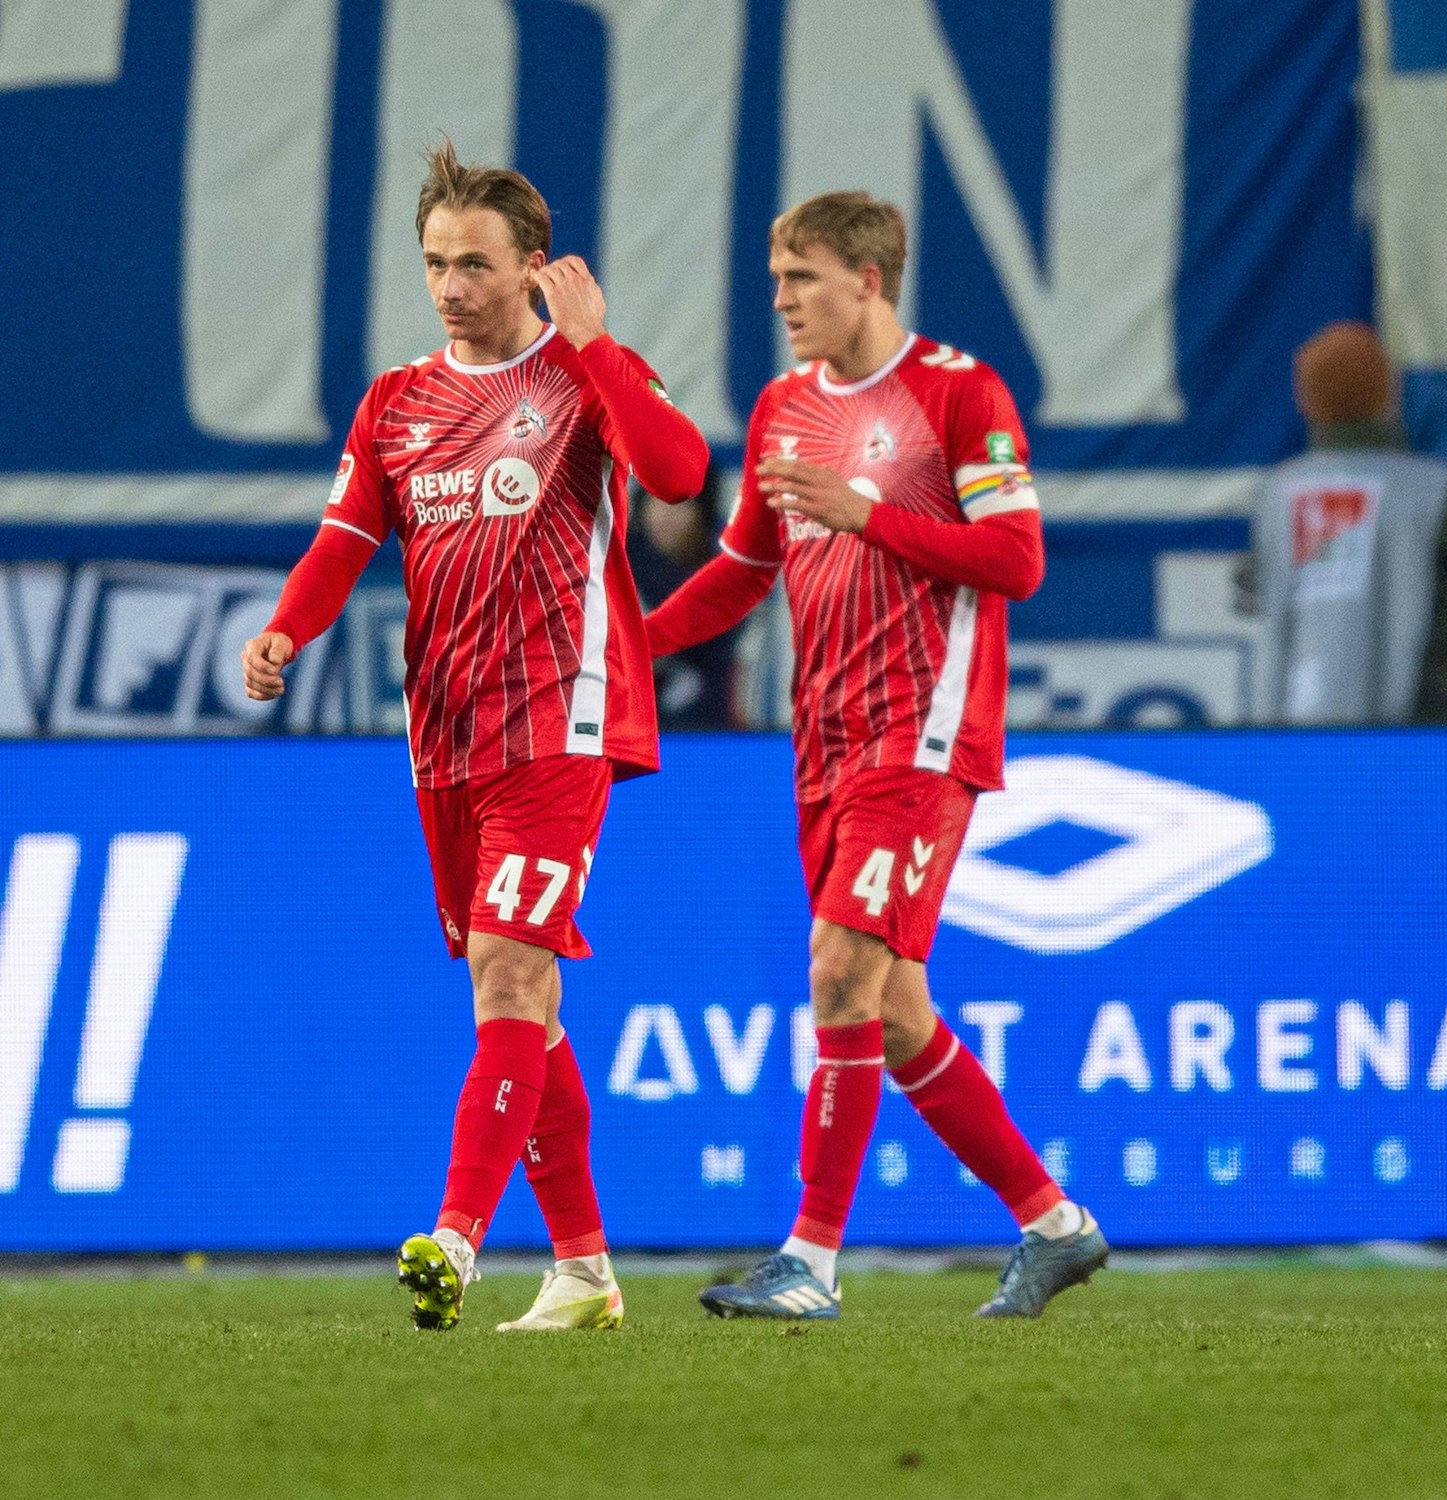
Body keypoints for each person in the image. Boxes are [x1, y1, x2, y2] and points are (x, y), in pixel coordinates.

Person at [241, 140, 708, 1331]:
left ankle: (454, 1234)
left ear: (532, 269)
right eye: (435, 262)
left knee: (510, 969)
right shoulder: (397, 402)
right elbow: (345, 539)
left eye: (474, 263)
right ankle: (586, 1271)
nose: (450, 285)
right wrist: (287, 633)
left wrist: (598, 346)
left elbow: (677, 472)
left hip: (563, 717)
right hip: (443, 738)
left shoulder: (581, 377)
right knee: (521, 1007)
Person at [647, 190, 1107, 1320]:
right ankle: (1057, 1228)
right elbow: (744, 571)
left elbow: (1015, 559)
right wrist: (629, 646)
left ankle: (807, 1262)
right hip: (823, 742)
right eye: (776, 283)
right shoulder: (777, 412)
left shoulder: (958, 392)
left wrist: (866, 513)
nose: (785, 303)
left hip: (924, 733)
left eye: (802, 279)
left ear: (869, 278)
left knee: (839, 970)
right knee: (893, 1010)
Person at [1286, 321, 1447, 723]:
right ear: (1390, 394)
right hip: (1429, 739)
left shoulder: (1279, 497)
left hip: (1304, 737)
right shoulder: (1433, 491)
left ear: (1305, 400)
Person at [625, 467, 741, 729]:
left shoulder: (726, 580)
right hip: (626, 729)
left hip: (699, 737)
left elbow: (718, 684)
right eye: (656, 503)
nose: (666, 516)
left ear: (703, 516)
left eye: (681, 506)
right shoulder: (615, 565)